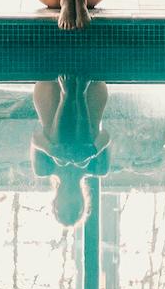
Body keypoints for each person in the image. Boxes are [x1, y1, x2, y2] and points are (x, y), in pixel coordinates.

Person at [32, 75, 111, 228]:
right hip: (92, 93)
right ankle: (78, 95)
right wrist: (92, 151)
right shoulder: (98, 169)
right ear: (82, 201)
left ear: (55, 202)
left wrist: (52, 151)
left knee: (60, 158)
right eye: (73, 206)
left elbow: (35, 138)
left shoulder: (44, 169)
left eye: (64, 207)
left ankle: (67, 96)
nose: (69, 200)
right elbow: (106, 136)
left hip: (49, 93)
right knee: (82, 159)